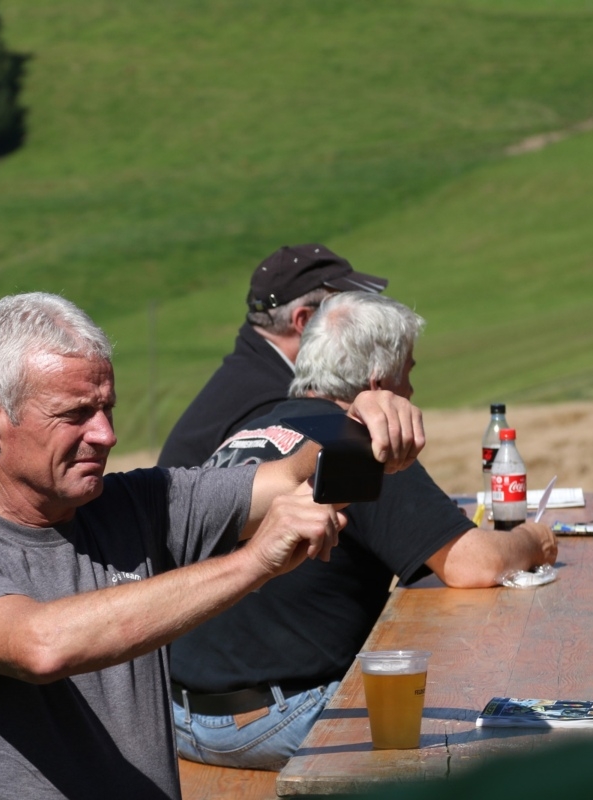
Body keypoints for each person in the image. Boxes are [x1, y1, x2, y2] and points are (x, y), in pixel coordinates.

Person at [0, 292, 424, 800]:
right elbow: (40, 645)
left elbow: (289, 478)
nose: (106, 434)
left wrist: (358, 426)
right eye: (75, 414)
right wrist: (255, 562)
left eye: (107, 409)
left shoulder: (136, 503)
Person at [168, 292, 557, 769]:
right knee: (496, 733)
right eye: (408, 372)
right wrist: (535, 540)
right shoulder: (356, 442)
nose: (411, 388)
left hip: (181, 718)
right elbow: (474, 565)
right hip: (279, 717)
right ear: (378, 385)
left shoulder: (249, 432)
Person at [157, 243, 388, 468]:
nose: (359, 319)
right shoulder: (271, 404)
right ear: (304, 321)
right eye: (345, 312)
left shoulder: (254, 372)